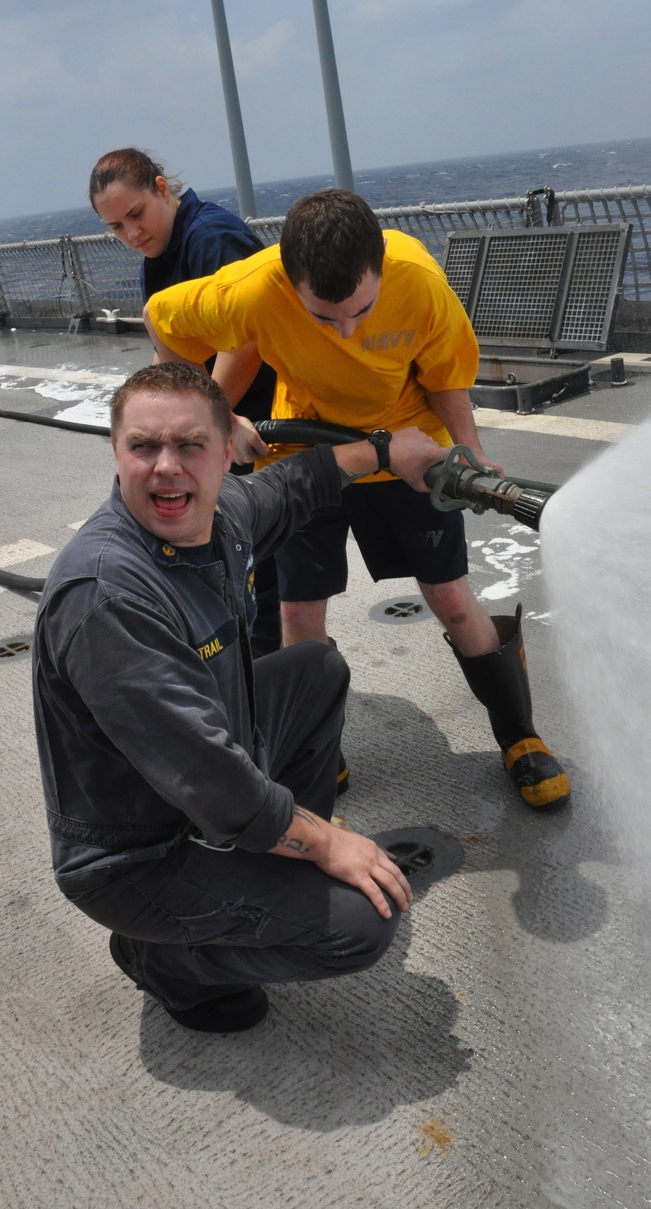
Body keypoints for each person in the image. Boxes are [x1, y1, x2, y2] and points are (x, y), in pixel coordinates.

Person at [33, 361, 443, 1033]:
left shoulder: (221, 519)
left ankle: (270, 854)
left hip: (211, 780)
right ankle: (162, 961)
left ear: (228, 452)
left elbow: (297, 482)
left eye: (191, 445)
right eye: (143, 447)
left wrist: (385, 449)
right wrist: (325, 846)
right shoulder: (108, 596)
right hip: (141, 853)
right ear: (116, 452)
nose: (167, 467)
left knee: (315, 671)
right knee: (361, 924)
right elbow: (214, 783)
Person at [141, 188, 571, 813]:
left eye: (361, 312)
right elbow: (162, 318)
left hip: (408, 450)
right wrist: (216, 412)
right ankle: (313, 746)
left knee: (451, 597)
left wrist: (470, 449)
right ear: (290, 282)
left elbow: (448, 375)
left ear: (380, 266)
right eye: (323, 318)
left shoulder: (419, 280)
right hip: (310, 455)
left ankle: (519, 733)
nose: (345, 330)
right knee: (297, 616)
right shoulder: (256, 286)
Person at [89, 147, 280, 655]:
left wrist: (209, 424)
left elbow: (248, 341)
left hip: (265, 427)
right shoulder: (160, 255)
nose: (131, 234)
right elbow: (170, 353)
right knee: (234, 558)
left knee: (265, 566)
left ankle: (272, 681)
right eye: (116, 228)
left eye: (135, 215)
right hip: (226, 425)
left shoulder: (212, 239)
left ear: (161, 187)